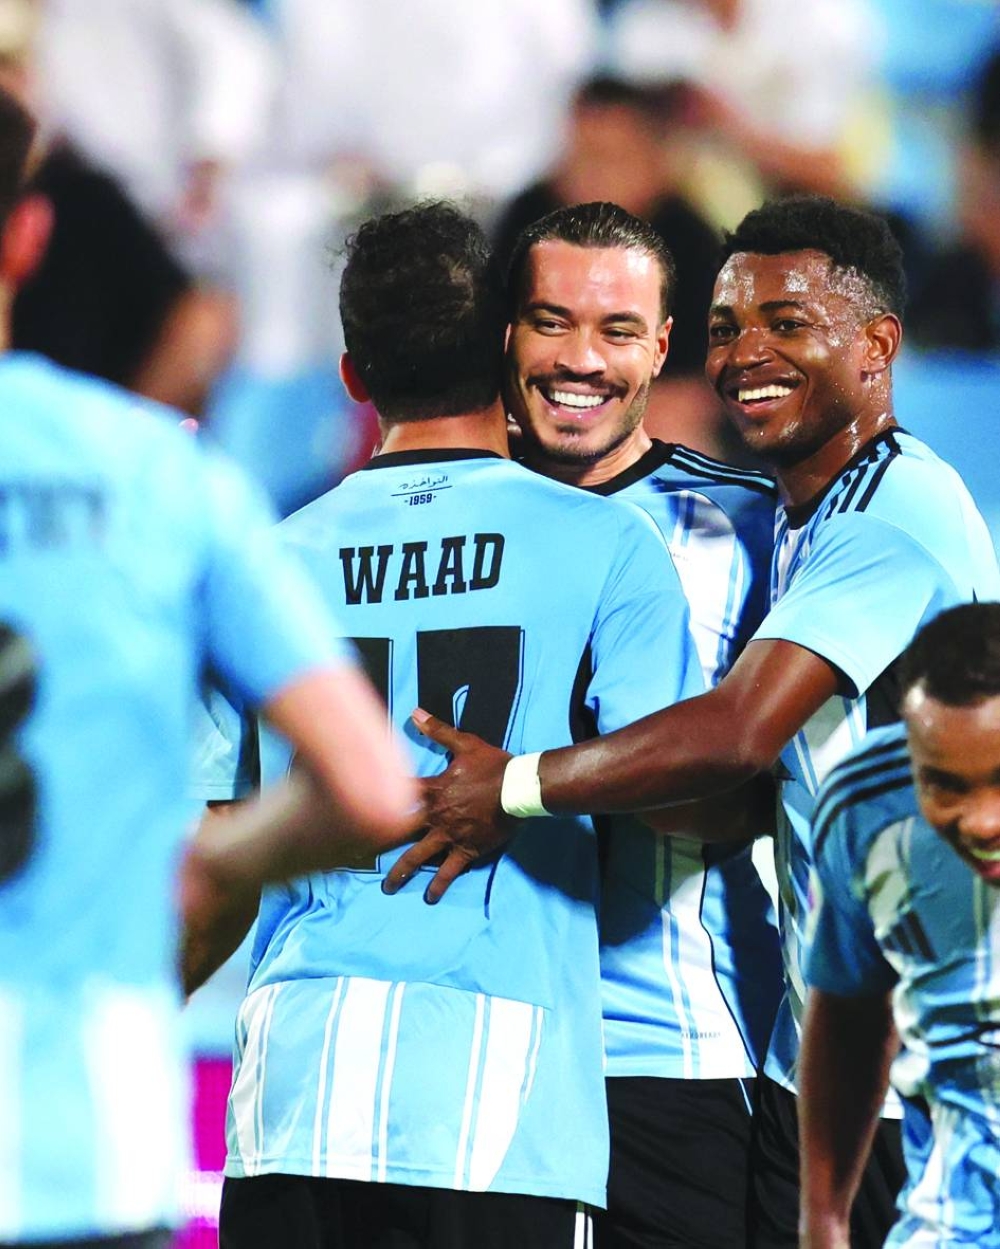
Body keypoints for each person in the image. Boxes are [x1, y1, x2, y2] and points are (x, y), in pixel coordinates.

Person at [389, 194, 1000, 1246]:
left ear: (877, 345)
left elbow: (734, 736)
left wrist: (513, 785)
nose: (748, 355)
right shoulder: (811, 520)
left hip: (912, 1080)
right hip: (820, 1059)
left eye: (787, 324)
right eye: (729, 329)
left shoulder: (888, 515)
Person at [188, 200, 702, 1249]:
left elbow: (211, 871)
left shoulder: (261, 563)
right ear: (512, 348)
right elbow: (673, 798)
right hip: (505, 1109)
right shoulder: (610, 545)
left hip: (296, 1088)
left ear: (351, 377)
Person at [0, 83, 415, 1249]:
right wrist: (198, 861)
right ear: (28, 236)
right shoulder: (161, 479)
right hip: (86, 1143)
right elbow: (374, 787)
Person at [500, 199, 782, 1247]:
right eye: (549, 320)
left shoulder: (751, 532)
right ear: (504, 331)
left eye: (616, 331)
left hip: (666, 1061)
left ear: (662, 348)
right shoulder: (429, 517)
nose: (581, 359)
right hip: (476, 1059)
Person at [800, 601, 1000, 1248]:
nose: (982, 821)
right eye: (944, 784)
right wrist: (824, 1221)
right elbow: (850, 1011)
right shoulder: (866, 809)